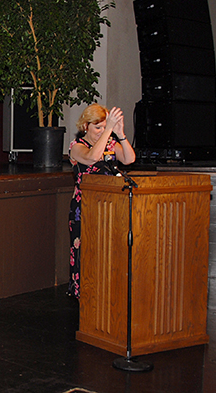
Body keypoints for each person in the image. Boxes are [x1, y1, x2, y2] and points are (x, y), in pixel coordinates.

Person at [67, 103, 136, 298]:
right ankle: (84, 295)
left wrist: (119, 133)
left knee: (107, 252)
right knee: (86, 253)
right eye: (98, 128)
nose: (101, 132)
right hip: (84, 208)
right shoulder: (77, 147)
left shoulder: (111, 144)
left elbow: (129, 159)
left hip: (109, 206)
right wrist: (108, 132)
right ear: (85, 126)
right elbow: (92, 158)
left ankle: (105, 293)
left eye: (105, 127)